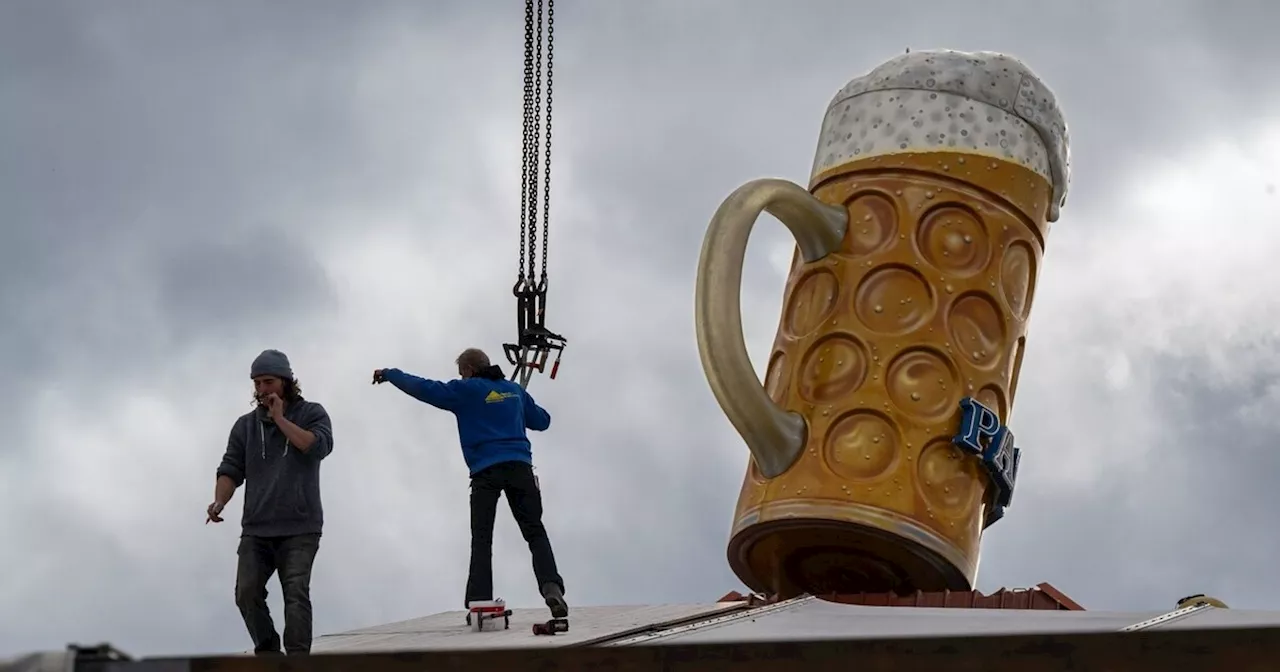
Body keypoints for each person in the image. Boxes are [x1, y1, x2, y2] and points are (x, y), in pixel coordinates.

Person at [372, 348, 568, 619]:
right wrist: (516, 403)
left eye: (461, 373)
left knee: (482, 538)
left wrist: (390, 375)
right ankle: (551, 586)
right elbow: (542, 421)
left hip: (485, 472)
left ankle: (479, 600)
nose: (461, 377)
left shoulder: (465, 391)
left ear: (469, 369)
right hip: (520, 467)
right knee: (534, 530)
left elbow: (425, 388)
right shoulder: (514, 391)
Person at [207, 349, 335, 656]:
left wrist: (279, 418)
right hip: (257, 528)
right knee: (246, 593)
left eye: (268, 382)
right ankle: (267, 654)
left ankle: (298, 659)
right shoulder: (245, 426)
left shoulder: (312, 413)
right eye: (257, 384)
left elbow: (317, 446)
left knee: (295, 592)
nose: (262, 390)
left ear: (286, 382)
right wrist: (219, 501)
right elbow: (230, 468)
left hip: (300, 526)